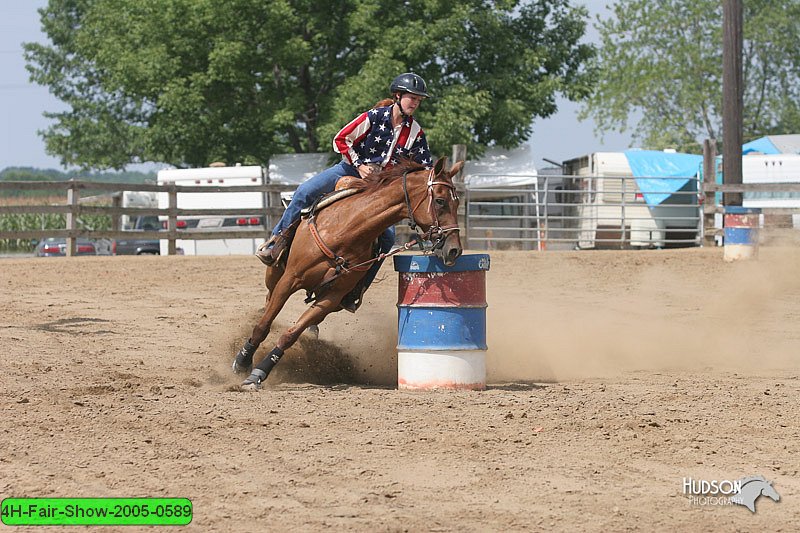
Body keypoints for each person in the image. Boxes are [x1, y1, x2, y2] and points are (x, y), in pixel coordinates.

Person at [255, 73, 433, 310]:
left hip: (376, 189)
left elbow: (425, 164)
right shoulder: (374, 117)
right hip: (346, 169)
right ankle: (277, 242)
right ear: (397, 96)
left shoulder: (415, 133)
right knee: (305, 192)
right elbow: (341, 138)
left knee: (388, 237)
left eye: (418, 100)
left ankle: (355, 290)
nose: (415, 103)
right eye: (412, 98)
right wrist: (359, 165)